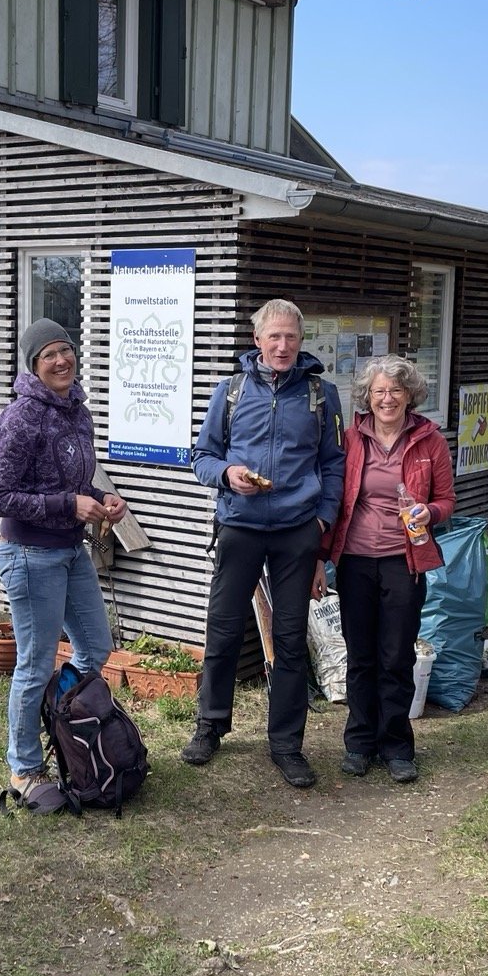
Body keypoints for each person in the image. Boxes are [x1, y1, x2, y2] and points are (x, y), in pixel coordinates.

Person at [184, 298, 345, 788]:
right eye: (273, 336)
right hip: (240, 525)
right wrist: (227, 474)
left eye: (291, 337)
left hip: (297, 530)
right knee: (223, 629)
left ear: (301, 341)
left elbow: (334, 464)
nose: (282, 345)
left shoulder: (321, 395)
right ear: (257, 341)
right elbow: (201, 456)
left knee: (291, 639)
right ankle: (211, 725)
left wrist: (322, 521)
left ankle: (287, 745)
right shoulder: (230, 391)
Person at [0, 318, 129, 810]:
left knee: (96, 646)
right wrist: (69, 505)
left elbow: (74, 482)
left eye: (65, 350)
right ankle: (25, 767)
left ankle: (63, 720)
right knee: (34, 663)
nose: (61, 360)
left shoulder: (77, 412)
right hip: (30, 554)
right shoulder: (21, 416)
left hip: (70, 549)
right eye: (48, 354)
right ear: (33, 365)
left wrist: (102, 500)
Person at [323, 356, 453, 784]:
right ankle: (359, 742)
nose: (387, 398)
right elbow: (334, 497)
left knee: (396, 656)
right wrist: (321, 556)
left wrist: (429, 511)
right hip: (355, 560)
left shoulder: (430, 440)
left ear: (409, 395)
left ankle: (397, 745)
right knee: (360, 655)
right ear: (367, 396)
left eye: (396, 390)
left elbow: (447, 501)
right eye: (379, 391)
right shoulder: (350, 439)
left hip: (404, 559)